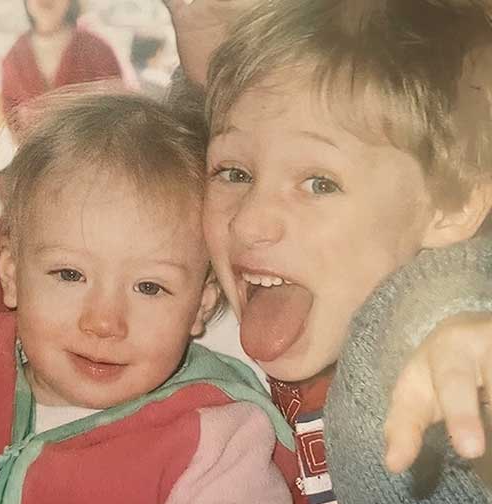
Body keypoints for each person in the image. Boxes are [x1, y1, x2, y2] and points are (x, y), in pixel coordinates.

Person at [0, 90, 298, 504]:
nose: (104, 322)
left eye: (149, 287)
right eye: (70, 274)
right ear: (11, 273)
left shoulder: (213, 444)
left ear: (200, 304)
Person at [199, 0, 492, 501]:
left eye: (319, 183)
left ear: (451, 207)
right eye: (234, 173)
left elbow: (442, 298)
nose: (248, 223)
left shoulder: (425, 354)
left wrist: (460, 333)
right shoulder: (198, 331)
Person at [0, 0, 123, 132]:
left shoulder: (98, 49)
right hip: (34, 149)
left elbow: (116, 108)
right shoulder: (13, 57)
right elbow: (10, 113)